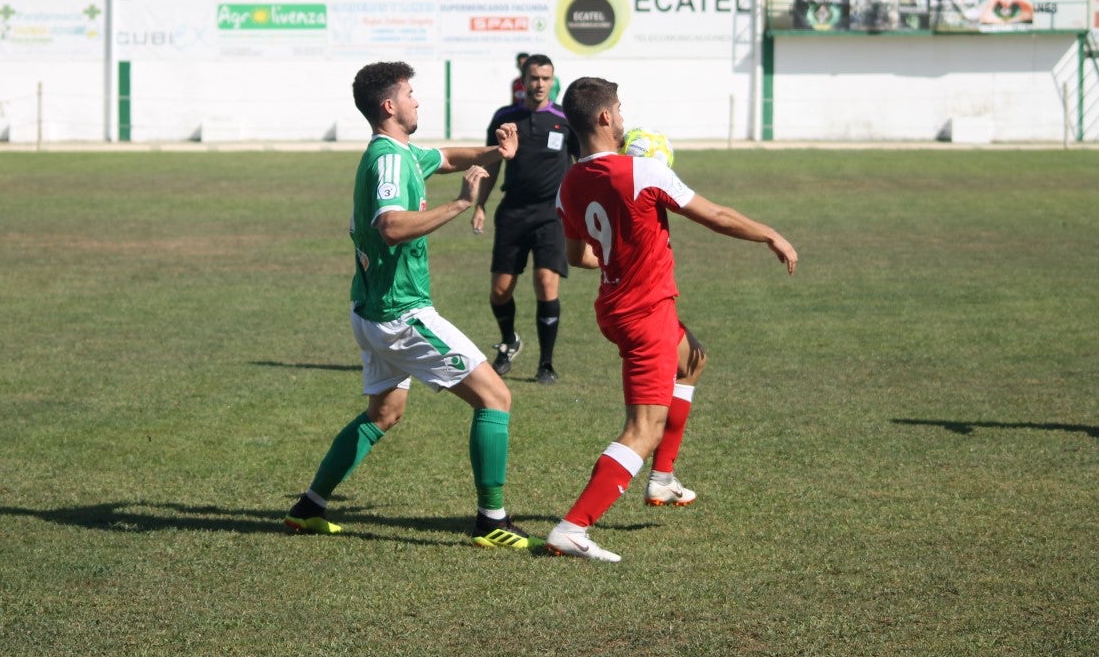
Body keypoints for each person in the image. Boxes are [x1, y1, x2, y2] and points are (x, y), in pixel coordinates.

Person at [284, 60, 542, 551]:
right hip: (400, 314)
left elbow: (446, 157)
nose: (417, 101)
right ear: (389, 105)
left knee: (384, 412)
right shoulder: (388, 161)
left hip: (370, 310)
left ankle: (309, 507)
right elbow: (390, 226)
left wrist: (498, 152)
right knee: (495, 398)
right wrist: (461, 204)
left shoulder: (401, 151)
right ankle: (491, 521)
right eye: (409, 94)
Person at [545, 76, 798, 562]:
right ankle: (573, 527)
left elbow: (579, 256)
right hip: (645, 313)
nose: (623, 117)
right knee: (642, 428)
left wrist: (621, 250)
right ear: (604, 117)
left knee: (692, 360)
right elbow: (716, 215)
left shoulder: (569, 183)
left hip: (616, 307)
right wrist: (770, 234)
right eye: (619, 109)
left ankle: (662, 479)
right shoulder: (644, 172)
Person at [473, 53, 579, 385]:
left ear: (552, 80)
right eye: (534, 78)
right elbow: (492, 164)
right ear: (523, 80)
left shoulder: (565, 119)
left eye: (546, 78)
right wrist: (480, 204)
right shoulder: (505, 118)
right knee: (500, 291)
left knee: (546, 283)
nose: (540, 84)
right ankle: (509, 341)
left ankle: (546, 364)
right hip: (513, 213)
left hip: (552, 214)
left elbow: (582, 165)